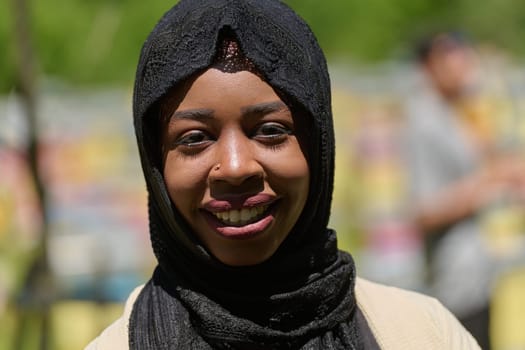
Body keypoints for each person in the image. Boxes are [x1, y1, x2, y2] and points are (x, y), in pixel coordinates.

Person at [86, 2, 480, 349]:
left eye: (271, 130)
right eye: (194, 139)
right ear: (155, 162)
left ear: (317, 144)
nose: (237, 167)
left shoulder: (422, 334)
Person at [404, 32, 525, 349]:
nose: (466, 65)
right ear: (431, 65)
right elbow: (422, 211)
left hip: (479, 274)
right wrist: (489, 183)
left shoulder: (455, 111)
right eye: (455, 56)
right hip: (454, 280)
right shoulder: (423, 122)